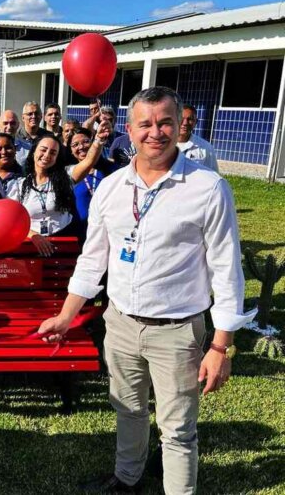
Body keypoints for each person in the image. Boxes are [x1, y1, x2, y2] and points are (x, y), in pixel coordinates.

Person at [38, 86, 256, 495]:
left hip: (177, 330)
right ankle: (127, 479)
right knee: (128, 409)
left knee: (177, 429)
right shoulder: (111, 188)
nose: (155, 132)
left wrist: (220, 346)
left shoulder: (208, 188)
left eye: (165, 122)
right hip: (120, 323)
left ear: (178, 126)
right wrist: (67, 315)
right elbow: (93, 260)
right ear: (129, 129)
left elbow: (227, 271)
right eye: (145, 124)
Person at [8, 133, 102, 256]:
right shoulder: (19, 185)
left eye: (53, 153)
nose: (47, 155)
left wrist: (99, 140)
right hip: (32, 246)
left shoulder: (66, 177)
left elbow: (89, 161)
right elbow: (12, 221)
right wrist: (33, 236)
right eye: (43, 150)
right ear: (34, 152)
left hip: (64, 244)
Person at [66, 127, 117, 240]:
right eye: (75, 145)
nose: (81, 147)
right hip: (78, 234)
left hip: (108, 232)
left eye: (85, 141)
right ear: (71, 151)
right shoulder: (67, 174)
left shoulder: (112, 170)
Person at [177, 104, 219, 172]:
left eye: (190, 119)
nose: (185, 123)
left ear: (196, 122)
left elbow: (212, 173)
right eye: (181, 118)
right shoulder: (164, 145)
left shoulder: (206, 148)